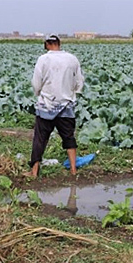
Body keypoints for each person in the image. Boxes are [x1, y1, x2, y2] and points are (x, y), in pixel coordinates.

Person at [25, 34, 84, 178]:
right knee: (69, 137)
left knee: (40, 138)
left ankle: (34, 172)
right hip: (66, 105)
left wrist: (39, 93)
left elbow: (36, 82)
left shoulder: (44, 59)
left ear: (47, 44)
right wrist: (71, 93)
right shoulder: (72, 59)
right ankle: (73, 170)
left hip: (47, 105)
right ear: (59, 43)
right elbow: (79, 82)